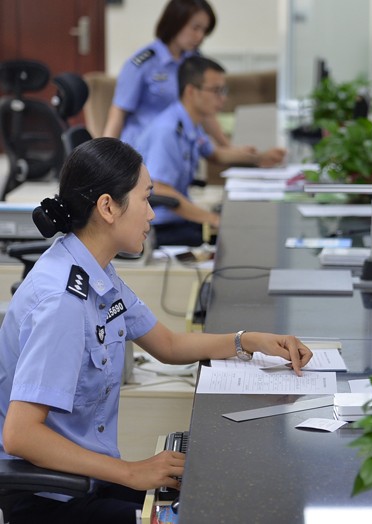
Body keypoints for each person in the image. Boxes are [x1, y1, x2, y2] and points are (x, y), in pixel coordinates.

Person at [0, 138, 312, 523]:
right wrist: (131, 472)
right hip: (54, 501)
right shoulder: (63, 302)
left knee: (209, 494)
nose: (151, 214)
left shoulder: (95, 270)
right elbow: (20, 435)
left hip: (88, 478)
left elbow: (168, 344)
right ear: (108, 207)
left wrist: (246, 341)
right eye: (145, 199)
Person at [135, 55, 285, 247]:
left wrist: (260, 157)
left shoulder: (189, 121)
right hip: (158, 225)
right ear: (191, 91)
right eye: (216, 91)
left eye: (224, 90)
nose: (223, 98)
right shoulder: (167, 130)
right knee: (240, 238)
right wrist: (213, 219)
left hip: (179, 216)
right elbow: (161, 189)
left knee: (246, 227)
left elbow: (215, 154)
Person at [103, 0, 229, 148]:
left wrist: (228, 147)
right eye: (195, 28)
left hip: (181, 146)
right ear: (175, 22)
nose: (200, 37)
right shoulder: (143, 62)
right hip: (145, 148)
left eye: (204, 30)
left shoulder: (195, 61)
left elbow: (204, 110)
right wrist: (103, 155)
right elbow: (118, 112)